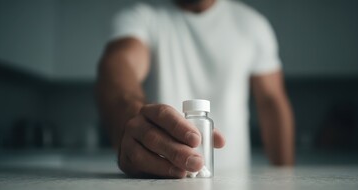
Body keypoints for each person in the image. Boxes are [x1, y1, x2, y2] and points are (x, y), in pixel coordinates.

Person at [97, 0, 295, 178]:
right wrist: (132, 117)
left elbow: (272, 102)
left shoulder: (252, 25)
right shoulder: (141, 18)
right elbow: (120, 66)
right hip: (163, 177)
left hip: (235, 182)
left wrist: (286, 181)